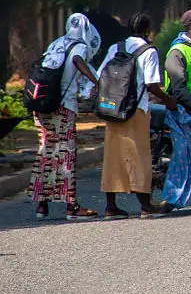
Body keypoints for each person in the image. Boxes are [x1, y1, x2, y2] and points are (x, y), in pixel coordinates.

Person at [98, 13, 176, 219]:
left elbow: (100, 75)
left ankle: (110, 206)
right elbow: (151, 84)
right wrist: (168, 100)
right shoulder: (148, 51)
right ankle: (145, 206)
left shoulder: (116, 48)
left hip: (113, 109)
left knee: (113, 157)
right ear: (148, 30)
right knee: (140, 156)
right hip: (137, 110)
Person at [28, 13, 102, 220]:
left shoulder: (57, 43)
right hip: (63, 107)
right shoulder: (79, 46)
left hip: (41, 105)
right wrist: (96, 82)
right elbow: (78, 60)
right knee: (66, 154)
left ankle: (42, 205)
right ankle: (71, 206)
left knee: (46, 151)